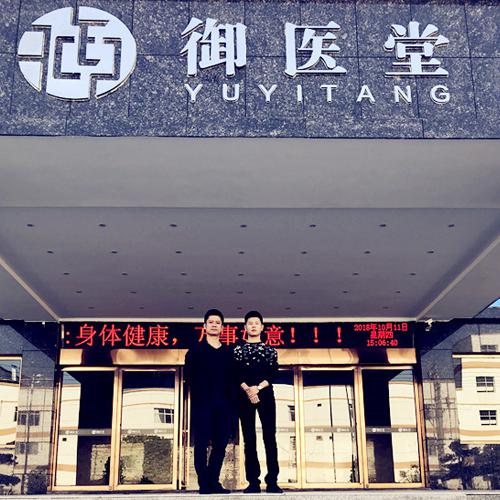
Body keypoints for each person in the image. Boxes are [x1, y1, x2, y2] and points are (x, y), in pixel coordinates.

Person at [184, 309, 236, 494]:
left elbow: (233, 380)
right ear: (204, 326)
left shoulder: (229, 352)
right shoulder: (195, 351)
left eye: (217, 322)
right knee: (201, 444)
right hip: (202, 406)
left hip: (224, 406)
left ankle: (214, 481)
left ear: (222, 328)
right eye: (211, 322)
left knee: (220, 445)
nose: (214, 325)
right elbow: (189, 377)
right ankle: (204, 483)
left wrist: (231, 405)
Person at [234, 310, 282, 494]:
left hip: (266, 395)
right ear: (245, 327)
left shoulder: (271, 350)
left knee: (270, 437)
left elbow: (273, 373)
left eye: (256, 323)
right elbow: (235, 373)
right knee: (249, 438)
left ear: (262, 327)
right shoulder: (238, 350)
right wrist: (248, 390)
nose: (253, 326)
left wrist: (258, 388)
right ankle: (253, 482)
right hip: (244, 395)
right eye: (250, 323)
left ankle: (272, 481)